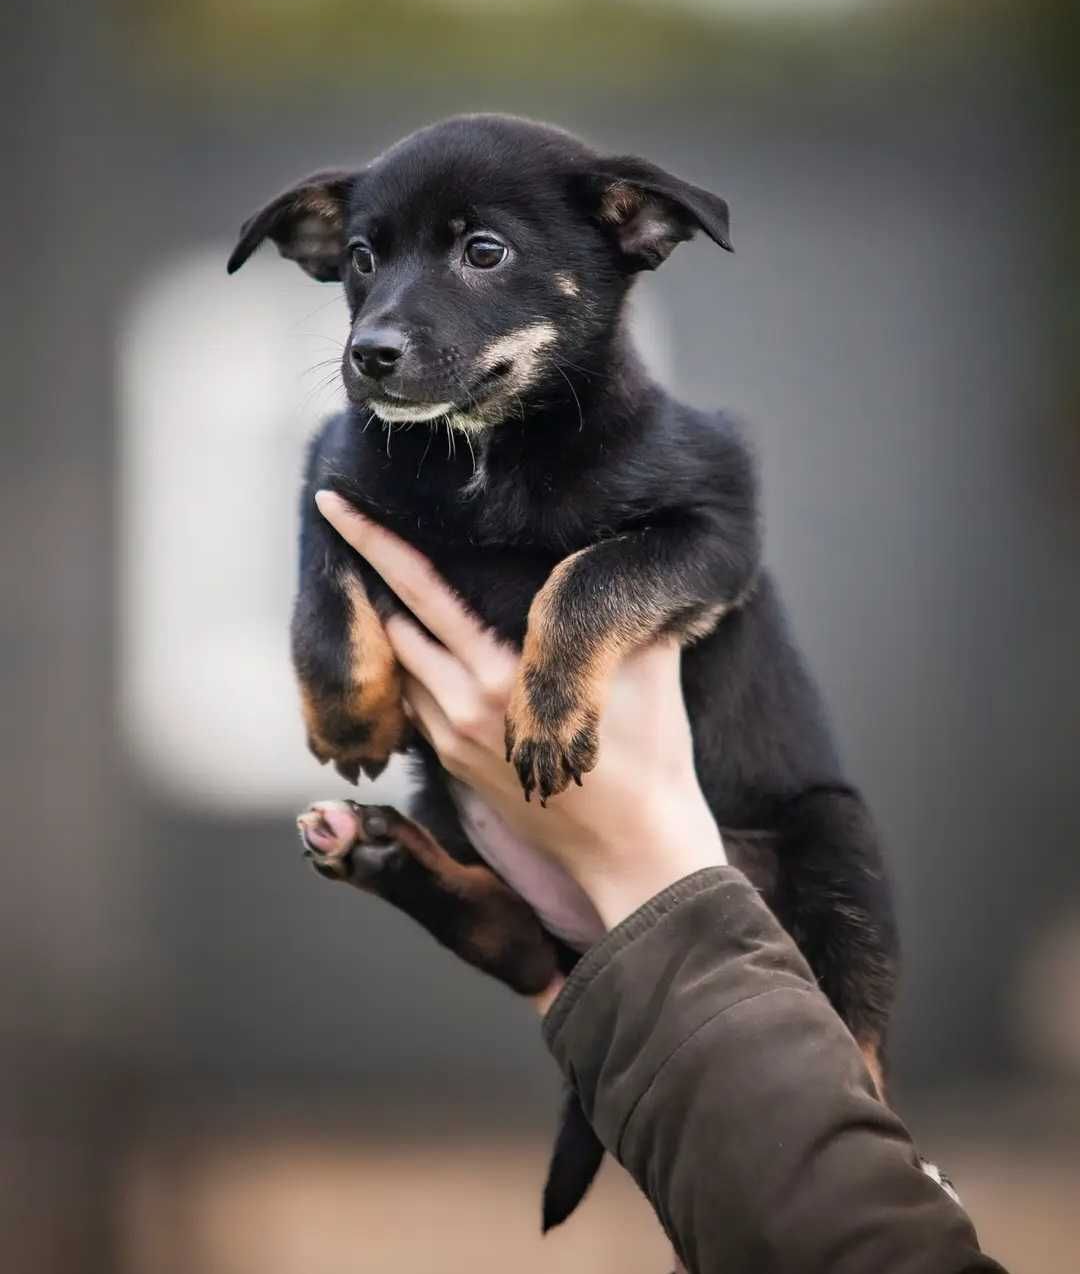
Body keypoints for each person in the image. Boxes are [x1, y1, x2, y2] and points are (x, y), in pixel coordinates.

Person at [316, 491, 1006, 1274]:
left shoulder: (647, 462)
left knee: (837, 846)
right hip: (607, 925)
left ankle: (858, 1100)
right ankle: (510, 926)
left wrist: (641, 859)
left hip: (735, 846)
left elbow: (715, 534)